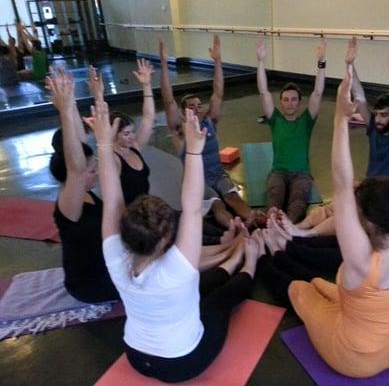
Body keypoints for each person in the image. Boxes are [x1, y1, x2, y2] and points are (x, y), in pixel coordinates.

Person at [254, 42, 389, 378]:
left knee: (300, 288)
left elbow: (344, 182)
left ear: (368, 224)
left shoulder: (361, 257)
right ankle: (283, 242)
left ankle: (264, 254)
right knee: (321, 282)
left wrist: (339, 122)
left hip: (353, 357)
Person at [89, 94, 262, 382]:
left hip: (135, 355)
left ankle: (233, 259)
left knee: (199, 288)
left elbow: (111, 199)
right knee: (218, 301)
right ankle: (250, 263)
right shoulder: (177, 267)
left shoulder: (115, 255)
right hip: (182, 364)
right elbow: (193, 208)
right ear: (166, 237)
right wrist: (194, 151)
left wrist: (103, 144)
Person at [159, 36, 262, 228]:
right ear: (183, 111)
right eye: (192, 106)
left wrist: (217, 61)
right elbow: (167, 99)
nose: (197, 109)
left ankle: (261, 225)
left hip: (219, 174)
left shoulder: (210, 121)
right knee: (217, 205)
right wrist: (164, 64)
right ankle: (239, 231)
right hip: (197, 180)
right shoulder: (180, 131)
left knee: (234, 198)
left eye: (199, 105)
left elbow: (218, 92)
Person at [47, 67, 119, 303]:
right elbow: (77, 166)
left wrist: (71, 102)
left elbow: (80, 143)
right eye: (92, 170)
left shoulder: (83, 192)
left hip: (108, 268)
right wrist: (65, 111)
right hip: (90, 284)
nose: (95, 173)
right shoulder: (69, 203)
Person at [256, 35, 326, 223]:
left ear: (299, 102)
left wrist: (321, 63)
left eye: (293, 99)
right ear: (281, 102)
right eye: (285, 100)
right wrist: (261, 61)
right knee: (273, 200)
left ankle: (288, 227)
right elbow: (263, 91)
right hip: (278, 172)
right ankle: (272, 226)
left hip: (301, 174)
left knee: (297, 204)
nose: (289, 103)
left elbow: (318, 93)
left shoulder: (306, 121)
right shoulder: (275, 119)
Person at [86, 60, 155, 205]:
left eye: (132, 132)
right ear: (113, 135)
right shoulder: (112, 158)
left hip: (146, 209)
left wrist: (146, 85)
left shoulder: (134, 148)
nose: (132, 137)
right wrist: (98, 95)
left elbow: (148, 118)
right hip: (129, 216)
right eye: (126, 134)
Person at [345, 37, 389, 177]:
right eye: (377, 114)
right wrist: (349, 64)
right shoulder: (373, 128)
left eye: (384, 115)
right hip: (370, 187)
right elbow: (359, 95)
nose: (378, 119)